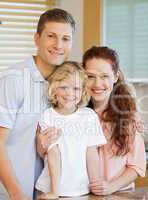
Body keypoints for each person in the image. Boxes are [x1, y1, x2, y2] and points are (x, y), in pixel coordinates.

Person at [0, 8, 75, 200]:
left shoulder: (65, 85)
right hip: (4, 196)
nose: (58, 45)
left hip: (40, 195)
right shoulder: (12, 79)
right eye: (51, 36)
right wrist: (16, 193)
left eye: (65, 38)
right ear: (37, 39)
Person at [35, 61, 106, 199]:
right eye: (63, 87)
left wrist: (95, 184)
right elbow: (53, 155)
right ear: (54, 89)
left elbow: (91, 153)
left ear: (83, 91)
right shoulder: (48, 116)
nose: (69, 93)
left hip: (82, 189)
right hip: (51, 189)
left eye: (76, 88)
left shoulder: (89, 116)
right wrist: (55, 192)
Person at [83, 46, 146, 195]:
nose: (97, 84)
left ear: (115, 77)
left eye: (104, 76)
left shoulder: (128, 117)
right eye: (90, 76)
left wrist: (111, 186)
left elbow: (137, 166)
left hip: (119, 195)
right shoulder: (76, 115)